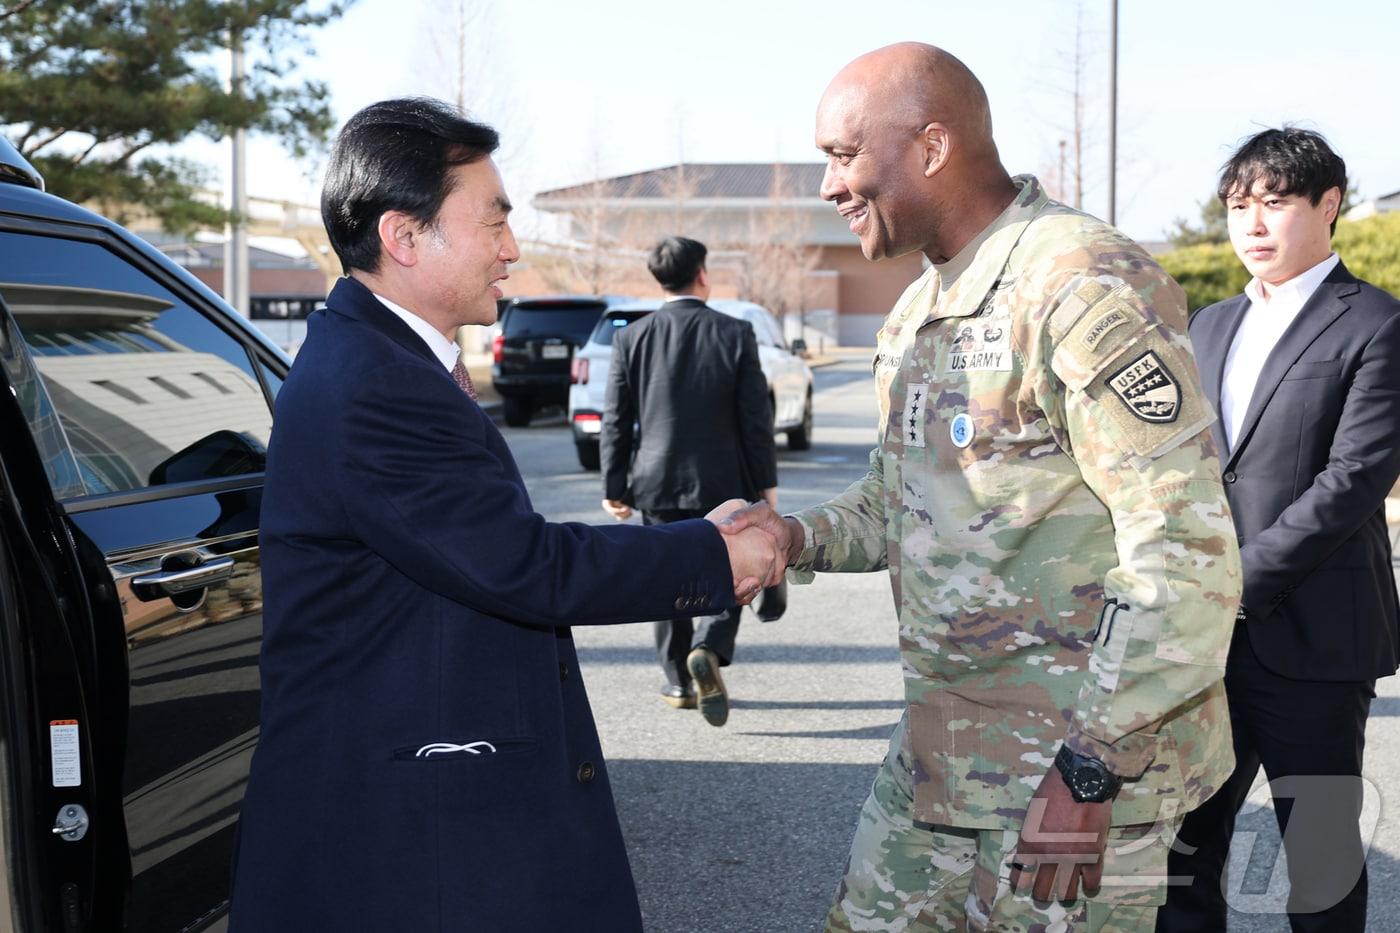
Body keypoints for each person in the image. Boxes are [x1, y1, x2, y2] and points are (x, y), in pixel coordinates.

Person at [718, 43, 1241, 930]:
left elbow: (1184, 551)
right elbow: (895, 503)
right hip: (944, 753)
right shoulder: (919, 310)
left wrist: (1090, 769)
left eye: (843, 156)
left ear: (930, 148)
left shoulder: (1080, 282)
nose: (828, 187)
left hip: (1075, 769)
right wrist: (790, 537)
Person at [228, 98, 780, 933]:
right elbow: (524, 565)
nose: (513, 249)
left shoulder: (387, 359)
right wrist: (716, 552)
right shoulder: (373, 384)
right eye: (492, 222)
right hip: (408, 825)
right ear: (403, 236)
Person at [1157, 129, 1400, 932]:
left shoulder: (1375, 322)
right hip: (1199, 649)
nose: (1252, 223)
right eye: (1237, 206)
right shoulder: (1209, 325)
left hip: (1317, 646)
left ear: (1328, 206)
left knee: (1321, 872)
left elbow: (1352, 482)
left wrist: (1232, 580)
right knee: (1183, 862)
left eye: (1273, 202)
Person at [600, 236, 778, 726]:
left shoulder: (630, 338)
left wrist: (614, 486)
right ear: (702, 274)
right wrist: (766, 488)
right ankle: (711, 644)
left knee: (665, 573)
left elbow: (616, 419)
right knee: (729, 568)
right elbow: (755, 420)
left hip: (654, 481)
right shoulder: (734, 332)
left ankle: (678, 680)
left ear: (659, 280)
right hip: (724, 479)